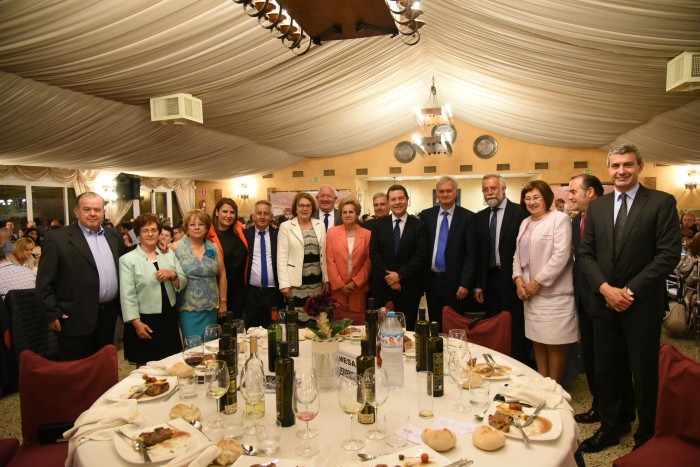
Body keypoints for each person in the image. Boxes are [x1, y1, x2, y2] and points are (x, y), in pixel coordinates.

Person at [579, 145, 681, 452]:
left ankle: (647, 436)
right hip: (604, 303)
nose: (620, 171)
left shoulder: (661, 202)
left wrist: (630, 291)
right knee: (608, 370)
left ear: (639, 166)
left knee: (643, 372)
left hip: (642, 304)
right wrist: (605, 289)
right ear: (607, 169)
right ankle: (613, 427)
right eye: (615, 166)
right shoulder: (597, 207)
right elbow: (585, 255)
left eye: (627, 165)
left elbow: (668, 255)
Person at [569, 174, 636, 427]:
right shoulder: (576, 222)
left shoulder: (611, 218)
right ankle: (599, 406)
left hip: (606, 298)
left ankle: (617, 416)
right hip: (584, 301)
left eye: (574, 191)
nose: (570, 196)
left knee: (611, 363)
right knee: (593, 359)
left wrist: (608, 291)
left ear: (591, 193)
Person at [37, 192, 127, 361]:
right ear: (76, 211)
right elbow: (44, 281)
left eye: (97, 209)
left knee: (104, 365)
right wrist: (51, 312)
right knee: (78, 370)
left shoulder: (113, 235)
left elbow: (127, 264)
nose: (92, 213)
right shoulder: (58, 238)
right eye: (87, 209)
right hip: (74, 317)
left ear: (103, 212)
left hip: (108, 315)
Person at [512, 180, 577, 383]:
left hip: (553, 295)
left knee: (555, 344)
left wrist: (537, 282)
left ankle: (554, 388)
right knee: (537, 341)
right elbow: (517, 255)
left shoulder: (559, 219)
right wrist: (518, 280)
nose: (531, 202)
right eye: (528, 198)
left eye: (536, 197)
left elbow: (561, 255)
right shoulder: (526, 222)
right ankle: (542, 383)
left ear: (546, 198)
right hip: (530, 295)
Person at [473, 174, 530, 365]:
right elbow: (478, 255)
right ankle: (496, 364)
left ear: (503, 189)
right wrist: (478, 285)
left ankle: (518, 366)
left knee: (515, 327)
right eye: (486, 189)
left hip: (513, 279)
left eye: (493, 188)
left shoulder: (520, 213)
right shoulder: (480, 218)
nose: (489, 192)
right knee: (493, 325)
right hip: (489, 281)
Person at [119, 214, 187, 366]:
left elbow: (182, 281)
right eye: (145, 231)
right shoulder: (128, 260)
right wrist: (136, 323)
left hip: (168, 316)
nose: (150, 234)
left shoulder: (167, 253)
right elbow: (127, 295)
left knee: (171, 362)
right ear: (137, 235)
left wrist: (173, 274)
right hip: (144, 319)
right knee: (146, 366)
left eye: (154, 230)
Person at [420, 176, 476, 329]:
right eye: (441, 191)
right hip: (432, 281)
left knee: (455, 325)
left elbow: (471, 254)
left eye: (448, 191)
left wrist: (465, 283)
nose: (445, 194)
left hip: (456, 283)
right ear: (437, 194)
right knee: (434, 324)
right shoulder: (426, 216)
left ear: (455, 192)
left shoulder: (468, 217)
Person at [369, 184, 428, 328]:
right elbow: (374, 253)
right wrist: (390, 277)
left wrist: (399, 275)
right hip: (383, 285)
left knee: (407, 328)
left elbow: (420, 255)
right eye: (393, 199)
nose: (397, 202)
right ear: (389, 203)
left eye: (401, 198)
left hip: (409, 286)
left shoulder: (419, 225)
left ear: (407, 200)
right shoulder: (378, 225)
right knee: (381, 327)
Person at [171, 209, 227, 338]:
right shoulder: (175, 248)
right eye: (192, 224)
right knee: (192, 347)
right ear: (186, 228)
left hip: (211, 306)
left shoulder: (214, 248)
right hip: (187, 308)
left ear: (207, 227)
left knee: (210, 346)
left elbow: (222, 275)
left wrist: (223, 302)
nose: (197, 227)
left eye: (201, 224)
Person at [326, 197, 372, 324]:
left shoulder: (367, 234)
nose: (347, 215)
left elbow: (368, 262)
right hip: (338, 289)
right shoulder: (332, 233)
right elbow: (330, 260)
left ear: (357, 214)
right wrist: (340, 284)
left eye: (351, 212)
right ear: (341, 214)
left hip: (358, 288)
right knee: (338, 325)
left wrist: (354, 283)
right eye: (344, 212)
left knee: (358, 324)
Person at [278, 193, 329, 305]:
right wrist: (284, 284)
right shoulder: (286, 226)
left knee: (317, 317)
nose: (305, 209)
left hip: (316, 282)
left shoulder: (320, 224)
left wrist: (326, 279)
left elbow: (324, 254)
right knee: (296, 318)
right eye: (301, 205)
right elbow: (281, 257)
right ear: (295, 208)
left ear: (312, 208)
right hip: (295, 284)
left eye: (308, 206)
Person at [206, 198, 249, 321]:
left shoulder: (239, 229)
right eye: (225, 211)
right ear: (217, 212)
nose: (228, 216)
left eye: (232, 212)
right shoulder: (208, 235)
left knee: (238, 328)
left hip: (240, 289)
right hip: (219, 290)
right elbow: (208, 260)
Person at [244, 200, 285, 328]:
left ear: (271, 217)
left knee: (274, 328)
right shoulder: (245, 235)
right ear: (253, 216)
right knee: (253, 330)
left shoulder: (278, 234)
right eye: (259, 213)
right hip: (252, 293)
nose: (262, 217)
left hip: (274, 294)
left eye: (266, 214)